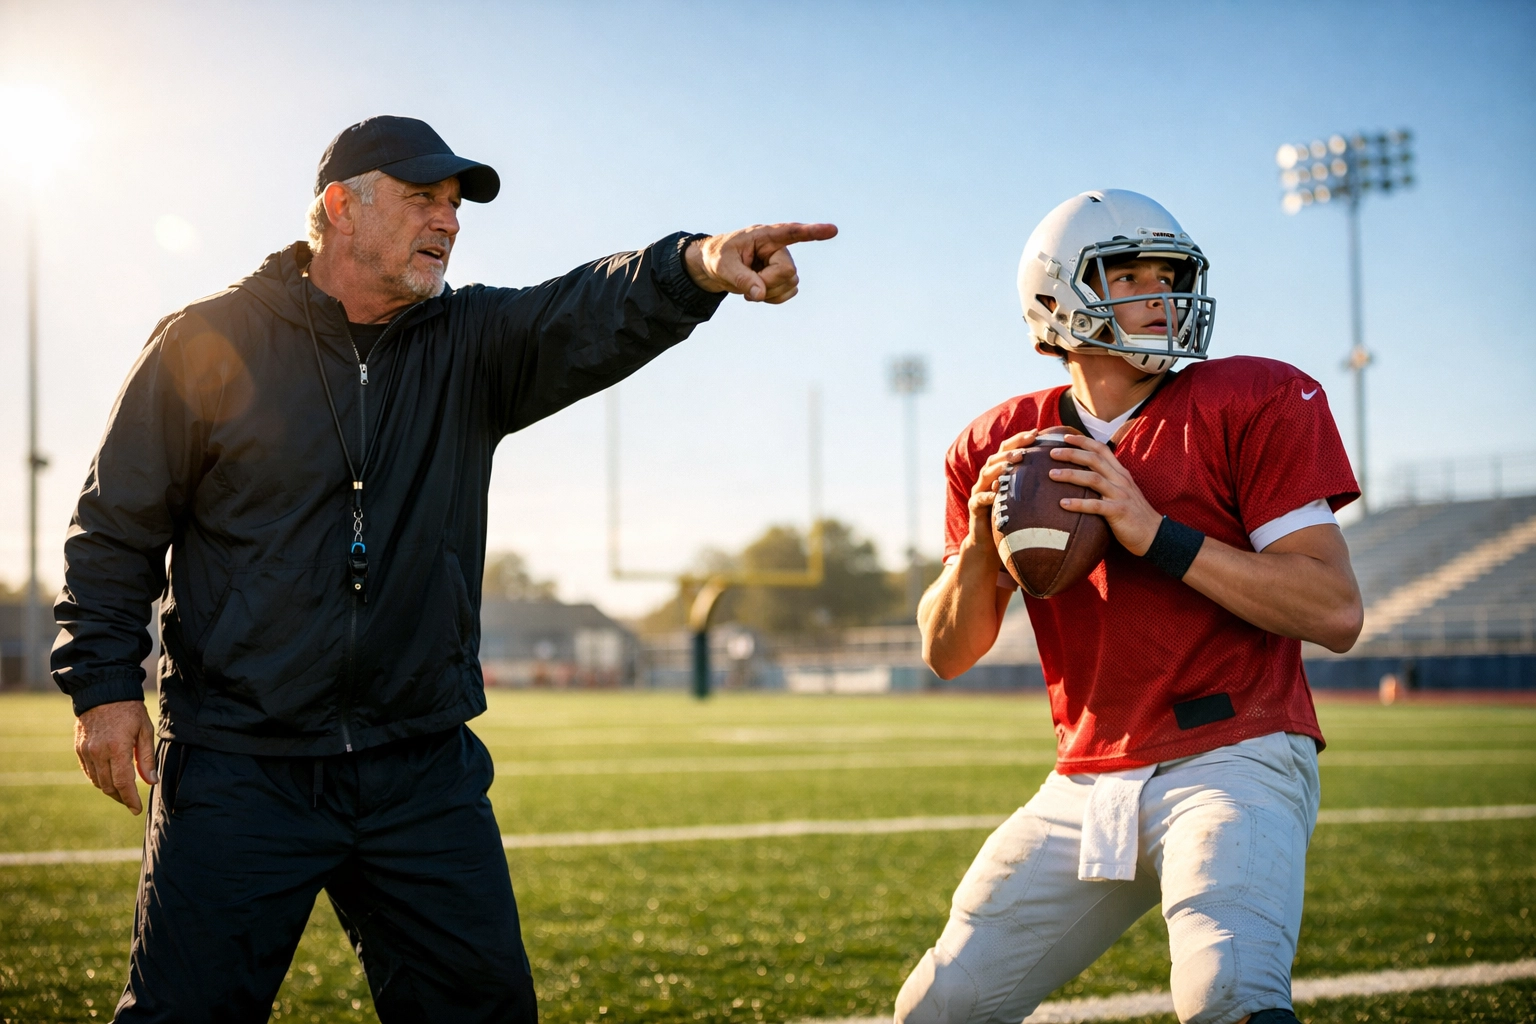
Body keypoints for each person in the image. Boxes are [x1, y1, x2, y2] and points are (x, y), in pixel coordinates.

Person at [53, 114, 836, 1023]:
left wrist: (698, 264)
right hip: (241, 761)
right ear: (340, 209)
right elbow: (114, 527)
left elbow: (588, 306)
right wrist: (103, 687)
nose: (449, 221)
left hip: (418, 764)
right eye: (424, 198)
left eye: (456, 204)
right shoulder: (205, 341)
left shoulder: (472, 342)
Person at [895, 189, 1362, 1024]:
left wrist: (1153, 533)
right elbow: (947, 654)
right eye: (1132, 275)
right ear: (1056, 296)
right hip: (1087, 775)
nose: (1162, 296)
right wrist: (975, 544)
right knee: (940, 1007)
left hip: (1234, 754)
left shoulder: (1249, 397)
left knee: (1228, 993)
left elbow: (1333, 610)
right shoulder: (998, 443)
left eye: (1170, 276)